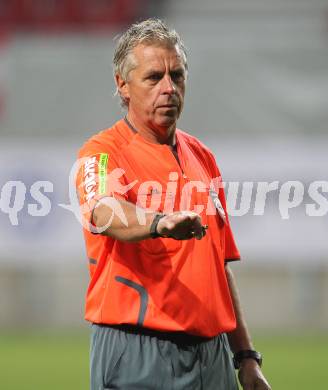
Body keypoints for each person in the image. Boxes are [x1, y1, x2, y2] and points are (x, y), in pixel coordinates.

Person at [76, 18, 271, 390]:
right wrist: (159, 222)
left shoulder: (203, 156)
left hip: (212, 355)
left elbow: (219, 267)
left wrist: (245, 356)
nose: (169, 88)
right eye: (153, 78)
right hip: (136, 349)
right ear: (123, 84)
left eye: (177, 76)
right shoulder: (100, 153)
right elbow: (102, 209)